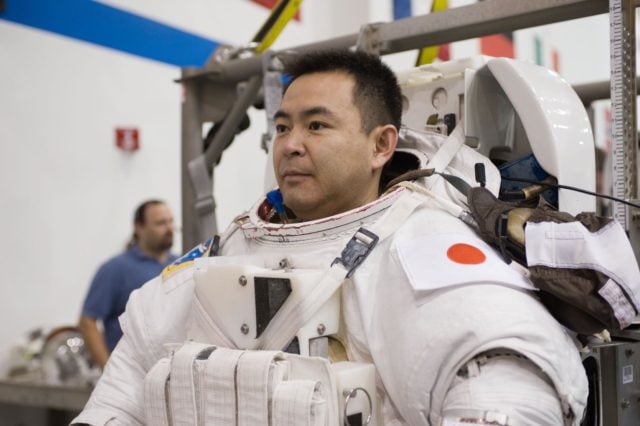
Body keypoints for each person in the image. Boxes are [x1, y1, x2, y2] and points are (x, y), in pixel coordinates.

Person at [73, 51, 588, 425]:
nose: (291, 146)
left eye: (317, 126)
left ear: (381, 145)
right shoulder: (225, 253)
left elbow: (510, 394)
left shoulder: (424, 251)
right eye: (281, 128)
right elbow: (123, 393)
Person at [78, 200, 178, 369]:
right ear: (139, 227)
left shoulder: (180, 264)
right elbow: (87, 322)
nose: (169, 229)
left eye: (170, 221)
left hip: (171, 372)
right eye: (161, 223)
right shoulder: (115, 269)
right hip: (131, 373)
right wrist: (108, 369)